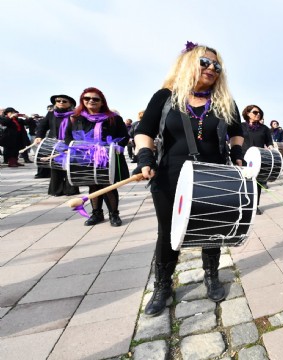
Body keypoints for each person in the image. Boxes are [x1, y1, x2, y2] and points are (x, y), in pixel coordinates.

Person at [134, 42, 244, 316]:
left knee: (212, 229)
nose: (211, 69)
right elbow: (144, 130)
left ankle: (211, 276)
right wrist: (145, 157)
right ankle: (162, 286)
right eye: (204, 63)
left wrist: (239, 153)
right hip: (170, 175)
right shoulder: (165, 97)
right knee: (168, 233)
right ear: (188, 64)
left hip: (214, 176)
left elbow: (237, 132)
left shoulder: (225, 102)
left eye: (216, 66)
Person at [64, 88, 129, 226]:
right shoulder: (75, 118)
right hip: (86, 157)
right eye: (87, 98)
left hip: (107, 157)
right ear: (82, 100)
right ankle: (97, 214)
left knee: (109, 185)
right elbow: (68, 137)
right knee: (93, 185)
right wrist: (74, 147)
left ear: (102, 102)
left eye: (95, 99)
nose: (91, 101)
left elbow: (124, 135)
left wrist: (118, 146)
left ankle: (114, 214)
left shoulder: (114, 118)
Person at [34, 94, 81, 196]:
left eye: (64, 101)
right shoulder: (51, 114)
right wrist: (39, 136)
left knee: (69, 166)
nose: (61, 102)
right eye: (58, 101)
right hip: (54, 143)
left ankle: (71, 190)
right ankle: (56, 190)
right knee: (55, 167)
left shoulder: (76, 115)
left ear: (70, 104)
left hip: (70, 143)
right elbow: (42, 127)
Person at [241, 104, 273, 215]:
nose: (258, 114)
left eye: (259, 113)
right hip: (243, 158)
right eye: (255, 112)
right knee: (243, 181)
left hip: (258, 159)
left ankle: (255, 205)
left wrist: (271, 148)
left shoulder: (264, 129)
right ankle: (243, 204)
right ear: (247, 113)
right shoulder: (241, 126)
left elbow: (269, 142)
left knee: (257, 182)